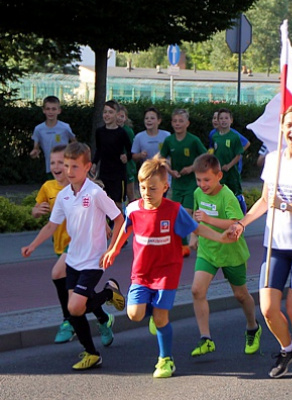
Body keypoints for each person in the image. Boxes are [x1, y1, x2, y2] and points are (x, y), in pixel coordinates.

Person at [101, 156, 229, 378]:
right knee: (134, 314)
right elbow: (126, 228)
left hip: (166, 273)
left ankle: (165, 360)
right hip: (141, 272)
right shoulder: (133, 209)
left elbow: (197, 229)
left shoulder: (174, 210)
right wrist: (113, 249)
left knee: (161, 318)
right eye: (142, 187)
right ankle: (151, 310)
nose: (146, 193)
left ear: (165, 187)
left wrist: (221, 238)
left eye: (152, 188)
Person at [231, 105, 292, 381]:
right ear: (282, 128)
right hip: (275, 245)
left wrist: (287, 205)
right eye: (289, 125)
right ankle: (287, 348)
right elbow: (265, 200)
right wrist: (241, 224)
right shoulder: (273, 160)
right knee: (268, 309)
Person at [21, 142, 125, 370]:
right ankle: (92, 353)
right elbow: (51, 226)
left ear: (87, 167)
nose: (69, 171)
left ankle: (108, 291)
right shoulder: (64, 196)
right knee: (74, 309)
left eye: (74, 166)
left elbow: (119, 219)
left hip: (94, 260)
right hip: (73, 260)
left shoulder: (96, 193)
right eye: (66, 166)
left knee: (76, 307)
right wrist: (33, 245)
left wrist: (111, 248)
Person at [32, 145, 113, 344]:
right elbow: (38, 208)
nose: (58, 167)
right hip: (60, 246)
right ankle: (103, 318)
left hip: (79, 247)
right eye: (54, 163)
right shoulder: (48, 187)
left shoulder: (83, 185)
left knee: (57, 274)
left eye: (62, 163)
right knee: (84, 294)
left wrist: (103, 224)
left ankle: (68, 320)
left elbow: (96, 205)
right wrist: (36, 211)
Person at [187, 154, 261, 359]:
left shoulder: (227, 195)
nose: (202, 185)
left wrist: (210, 219)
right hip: (208, 251)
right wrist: (194, 235)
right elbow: (196, 217)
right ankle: (206, 338)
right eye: (199, 180)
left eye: (207, 180)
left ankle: (252, 327)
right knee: (196, 290)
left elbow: (237, 223)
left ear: (219, 175)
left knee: (240, 295)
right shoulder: (197, 193)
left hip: (231, 252)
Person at [159, 109, 207, 256]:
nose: (177, 124)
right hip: (177, 183)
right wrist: (170, 170)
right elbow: (161, 158)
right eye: (175, 121)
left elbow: (205, 157)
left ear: (187, 123)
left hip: (192, 183)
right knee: (176, 214)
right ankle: (184, 246)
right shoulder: (169, 140)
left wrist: (192, 168)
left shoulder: (193, 140)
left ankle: (194, 238)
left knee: (186, 212)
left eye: (181, 121)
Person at [92, 100, 132, 209]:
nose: (107, 115)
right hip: (104, 173)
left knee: (117, 204)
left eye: (110, 112)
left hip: (118, 174)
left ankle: (120, 225)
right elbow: (99, 149)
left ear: (117, 114)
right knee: (102, 203)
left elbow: (130, 151)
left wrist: (126, 157)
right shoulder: (99, 132)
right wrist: (94, 163)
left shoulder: (122, 133)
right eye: (105, 112)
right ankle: (105, 225)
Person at [210, 108, 247, 213]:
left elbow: (238, 155)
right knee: (220, 192)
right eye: (221, 118)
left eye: (226, 118)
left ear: (231, 120)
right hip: (219, 172)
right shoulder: (215, 136)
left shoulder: (234, 136)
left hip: (232, 172)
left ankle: (242, 214)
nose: (223, 120)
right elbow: (212, 149)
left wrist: (229, 165)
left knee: (235, 194)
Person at [30, 96, 75, 173]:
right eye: (48, 109)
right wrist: (34, 152)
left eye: (54, 109)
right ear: (44, 110)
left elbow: (75, 144)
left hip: (66, 167)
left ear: (59, 111)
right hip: (50, 167)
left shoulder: (65, 127)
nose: (50, 112)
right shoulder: (39, 129)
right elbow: (36, 148)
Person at [117, 105, 138, 202]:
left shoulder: (128, 131)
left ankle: (132, 213)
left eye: (122, 116)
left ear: (125, 118)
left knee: (130, 193)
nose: (119, 119)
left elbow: (132, 149)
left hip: (128, 165)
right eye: (118, 116)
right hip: (115, 165)